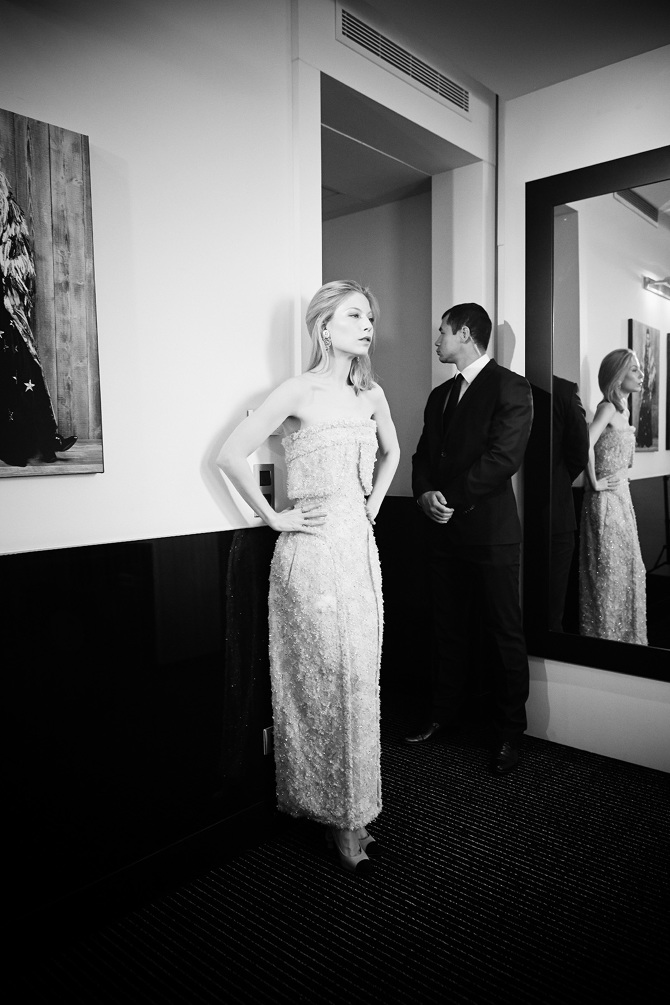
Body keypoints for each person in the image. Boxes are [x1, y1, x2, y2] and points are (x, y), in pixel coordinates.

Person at [217, 280, 400, 872]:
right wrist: (273, 517)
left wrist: (371, 508)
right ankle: (337, 818)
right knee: (323, 681)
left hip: (359, 553)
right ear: (325, 326)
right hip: (311, 557)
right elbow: (229, 455)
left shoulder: (371, 395)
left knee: (359, 681)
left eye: (369, 317)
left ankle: (354, 810)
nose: (367, 326)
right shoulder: (298, 391)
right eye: (355, 315)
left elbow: (394, 453)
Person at [406, 303, 533, 776]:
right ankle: (444, 715)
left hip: (490, 532)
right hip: (441, 532)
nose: (436, 340)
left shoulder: (511, 386)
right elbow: (423, 455)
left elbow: (504, 459)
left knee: (503, 633)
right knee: (447, 628)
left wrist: (450, 498)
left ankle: (509, 733)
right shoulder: (440, 395)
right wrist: (424, 494)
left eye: (442, 331)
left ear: (463, 333)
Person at [0, 170, 77, 467]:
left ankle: (45, 439)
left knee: (23, 366)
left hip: (8, 305)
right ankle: (36, 440)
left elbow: (18, 264)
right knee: (14, 368)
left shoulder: (10, 216)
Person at [579, 349, 647, 644]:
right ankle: (604, 641)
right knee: (607, 573)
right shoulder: (607, 408)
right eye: (634, 370)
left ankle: (627, 640)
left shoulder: (624, 412)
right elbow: (585, 442)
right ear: (618, 375)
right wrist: (594, 483)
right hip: (605, 502)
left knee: (627, 570)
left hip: (623, 499)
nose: (641, 376)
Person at [527, 376, 589, 632]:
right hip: (549, 512)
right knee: (548, 610)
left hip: (552, 513)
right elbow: (579, 452)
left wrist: (557, 483)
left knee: (547, 608)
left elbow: (579, 451)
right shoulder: (563, 390)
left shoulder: (562, 390)